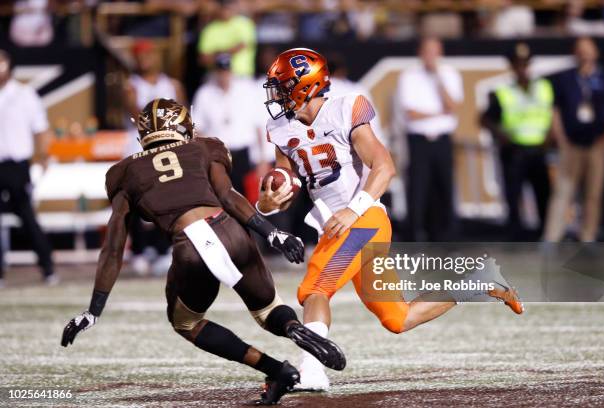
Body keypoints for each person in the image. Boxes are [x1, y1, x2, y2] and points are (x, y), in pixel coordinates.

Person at [257, 48, 523, 391]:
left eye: (281, 86)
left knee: (315, 290)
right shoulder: (279, 127)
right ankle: (480, 282)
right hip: (338, 226)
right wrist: (270, 198)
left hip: (364, 219)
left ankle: (311, 371)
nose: (276, 94)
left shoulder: (345, 108)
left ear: (304, 84)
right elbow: (285, 176)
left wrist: (354, 209)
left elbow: (384, 166)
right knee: (398, 318)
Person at [60, 99, 346, 405]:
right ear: (183, 126)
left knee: (185, 322)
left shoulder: (124, 171)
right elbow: (228, 195)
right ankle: (293, 328)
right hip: (230, 231)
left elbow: (114, 247)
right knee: (267, 310)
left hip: (190, 245)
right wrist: (272, 233)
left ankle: (275, 369)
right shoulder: (205, 147)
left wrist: (94, 310)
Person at [124, 38, 186, 275]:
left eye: (148, 55)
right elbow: (137, 114)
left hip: (168, 146)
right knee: (137, 200)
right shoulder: (131, 85)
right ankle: (139, 249)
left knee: (169, 198)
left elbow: (182, 114)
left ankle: (163, 248)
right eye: (140, 56)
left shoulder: (172, 84)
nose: (145, 60)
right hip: (139, 146)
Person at [481, 43, 554, 240]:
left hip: (539, 150)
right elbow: (485, 119)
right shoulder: (504, 91)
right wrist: (502, 135)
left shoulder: (544, 87)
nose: (522, 69)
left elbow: (553, 114)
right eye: (517, 65)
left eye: (525, 64)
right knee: (514, 196)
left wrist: (551, 136)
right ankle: (516, 236)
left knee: (543, 195)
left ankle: (544, 236)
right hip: (515, 151)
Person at [544, 37, 604, 242]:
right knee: (563, 191)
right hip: (571, 144)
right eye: (580, 50)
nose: (584, 54)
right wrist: (561, 137)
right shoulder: (565, 79)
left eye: (588, 50)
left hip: (597, 144)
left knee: (592, 194)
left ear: (596, 53)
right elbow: (555, 110)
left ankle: (587, 236)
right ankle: (552, 237)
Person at [396, 37, 463, 242]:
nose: (431, 56)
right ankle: (416, 232)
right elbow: (411, 113)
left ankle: (446, 234)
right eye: (427, 51)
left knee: (444, 185)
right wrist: (438, 113)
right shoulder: (409, 76)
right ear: (420, 52)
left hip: (442, 139)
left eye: (435, 51)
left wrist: (438, 81)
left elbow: (452, 105)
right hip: (418, 139)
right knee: (418, 187)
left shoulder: (449, 74)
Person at [0, 49, 56, 288]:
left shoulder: (24, 94)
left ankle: (48, 267)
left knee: (27, 216)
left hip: (17, 164)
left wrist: (42, 156)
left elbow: (40, 128)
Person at [192, 53, 265, 195]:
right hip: (218, 154)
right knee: (221, 194)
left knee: (245, 198)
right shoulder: (205, 93)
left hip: (243, 152)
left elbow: (258, 125)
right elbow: (196, 127)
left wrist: (262, 158)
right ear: (215, 72)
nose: (224, 75)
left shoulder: (246, 89)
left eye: (226, 71)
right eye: (220, 71)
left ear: (231, 71)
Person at [198, 0, 256, 77]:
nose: (226, 11)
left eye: (229, 7)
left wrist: (216, 54)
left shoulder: (244, 24)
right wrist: (228, 51)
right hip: (216, 76)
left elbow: (241, 46)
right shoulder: (210, 29)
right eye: (224, 7)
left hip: (240, 75)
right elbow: (203, 59)